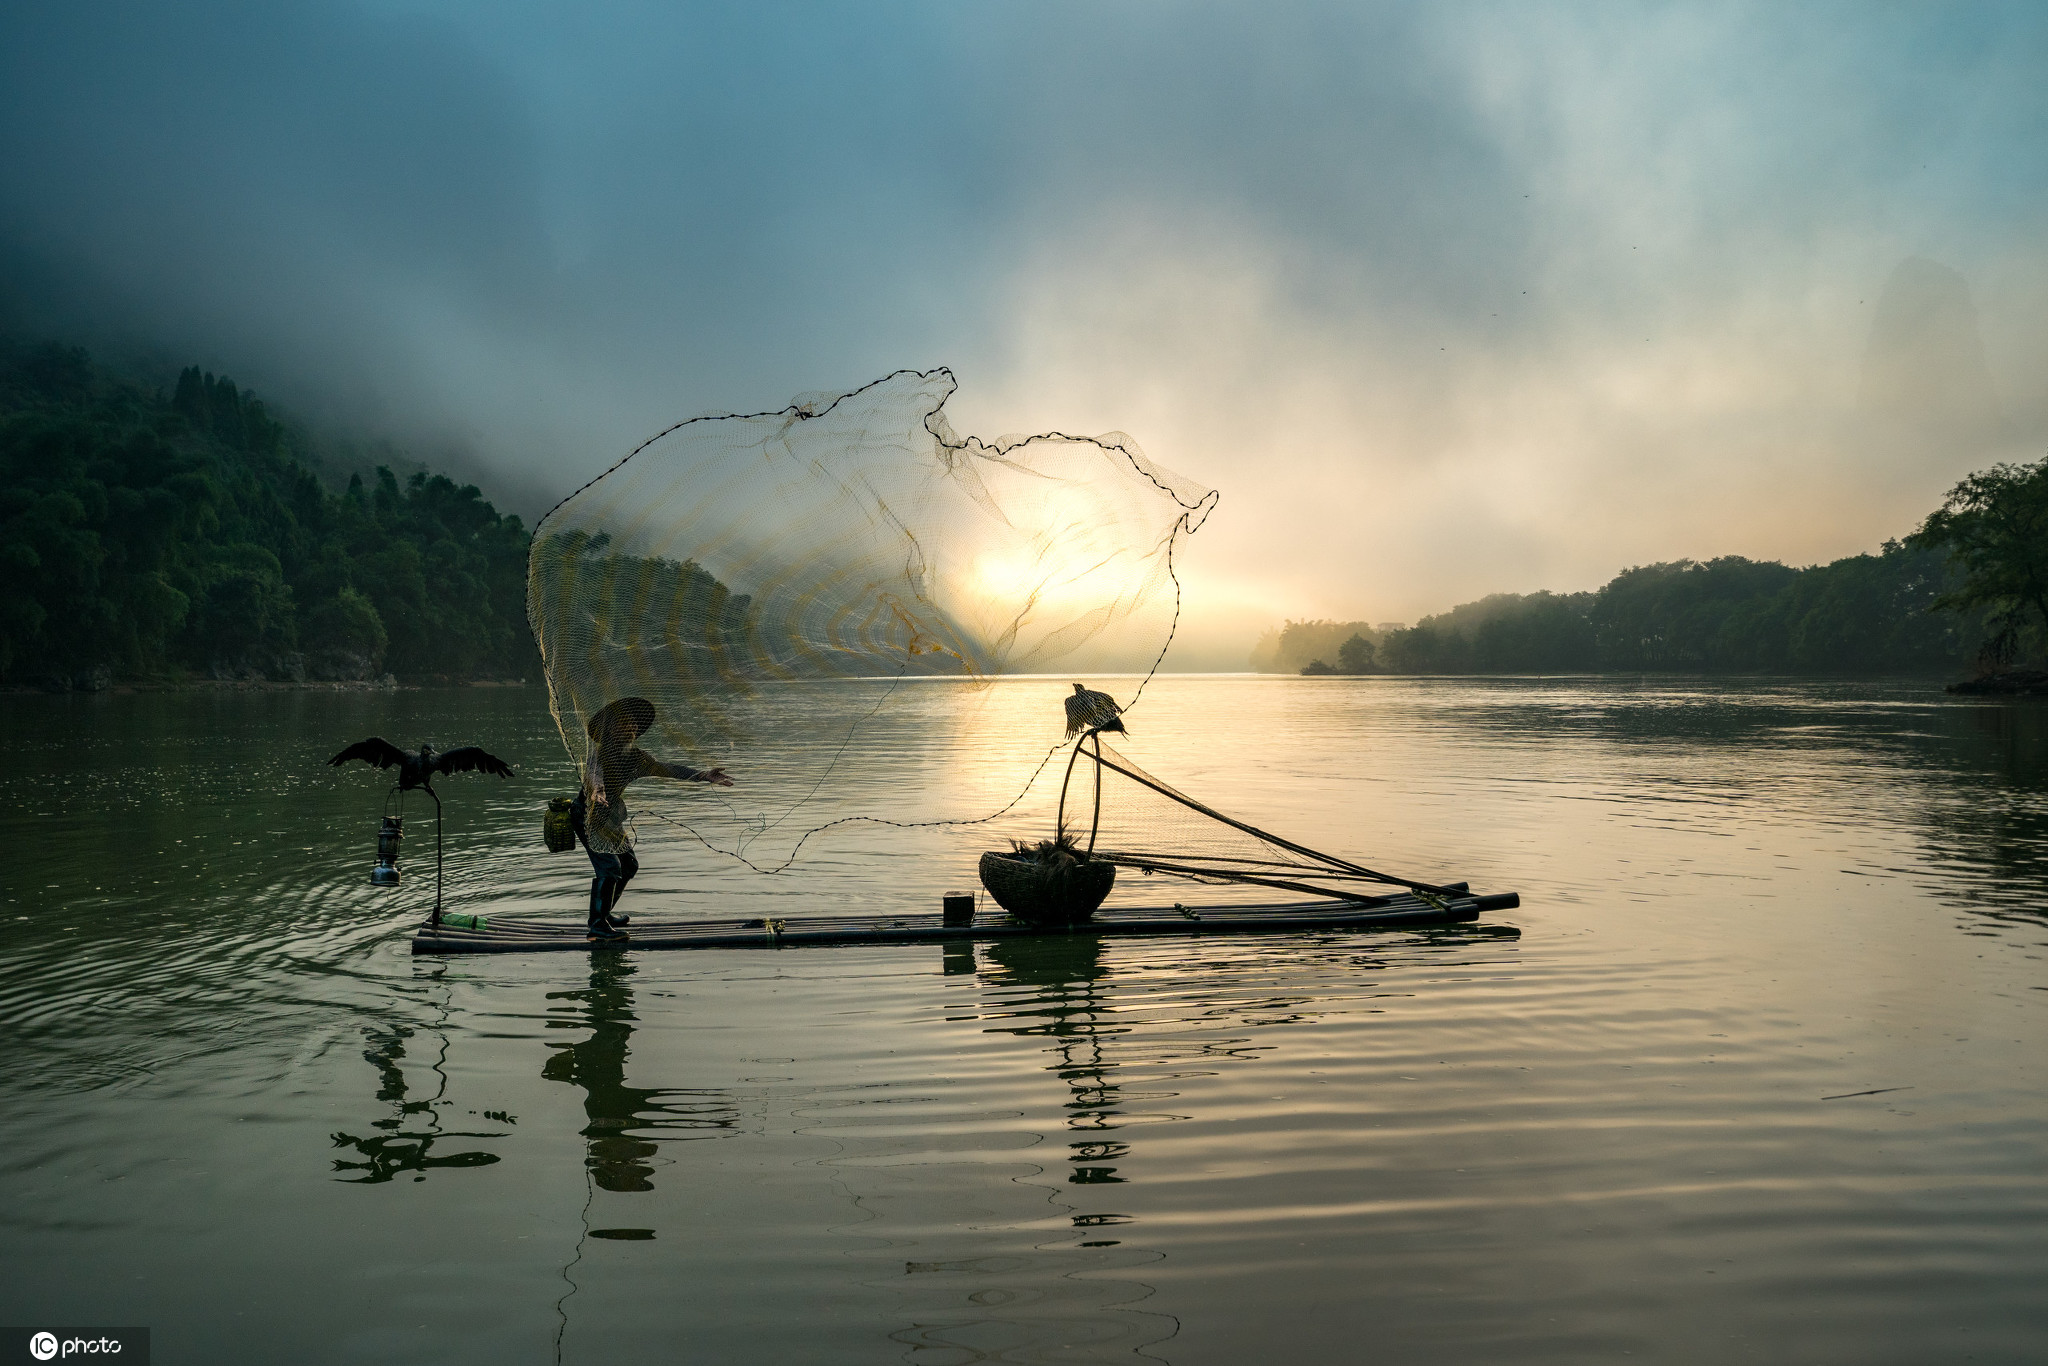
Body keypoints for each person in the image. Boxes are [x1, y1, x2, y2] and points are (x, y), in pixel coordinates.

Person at [571, 697, 733, 940]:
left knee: (629, 865)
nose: (633, 728)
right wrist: (598, 790)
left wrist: (702, 775)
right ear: (611, 728)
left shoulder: (636, 758)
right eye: (626, 723)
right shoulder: (601, 753)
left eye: (635, 724)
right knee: (610, 868)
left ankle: (603, 913)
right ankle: (597, 926)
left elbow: (666, 769)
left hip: (610, 818)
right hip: (588, 815)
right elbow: (594, 774)